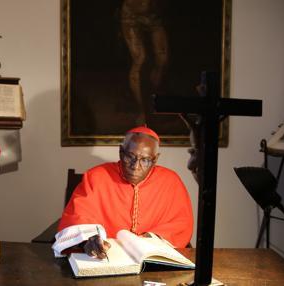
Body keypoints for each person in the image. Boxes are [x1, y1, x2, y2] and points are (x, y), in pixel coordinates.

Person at [52, 126, 193, 258]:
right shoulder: (96, 177)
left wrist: (148, 241)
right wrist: (87, 240)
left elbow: (180, 224)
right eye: (130, 157)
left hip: (151, 259)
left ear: (155, 159)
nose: (136, 166)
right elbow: (78, 216)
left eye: (145, 160)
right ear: (121, 152)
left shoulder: (171, 181)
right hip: (106, 258)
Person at [120, 0, 169, 123]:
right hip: (131, 15)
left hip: (154, 16)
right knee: (140, 59)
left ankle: (152, 97)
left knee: (162, 58)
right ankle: (141, 109)